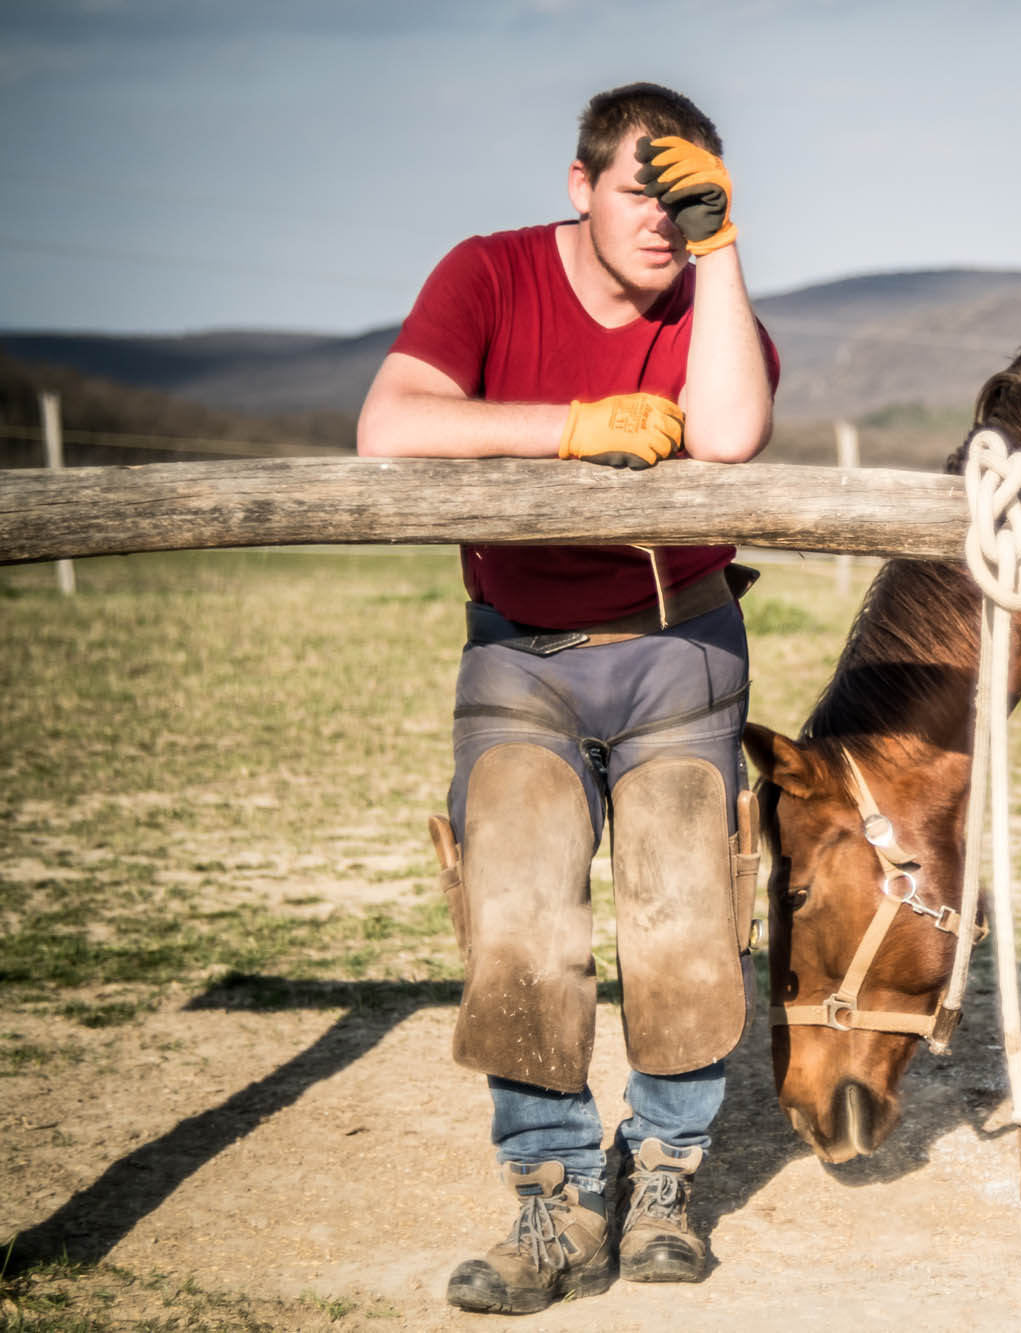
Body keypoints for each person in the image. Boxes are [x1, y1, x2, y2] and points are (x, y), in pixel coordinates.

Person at [357, 81, 777, 1316]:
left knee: (686, 924)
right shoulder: (486, 274)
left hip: (677, 650)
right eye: (644, 189)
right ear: (580, 184)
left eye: (691, 194)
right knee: (521, 921)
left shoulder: (711, 294)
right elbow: (388, 424)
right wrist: (570, 428)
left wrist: (727, 247)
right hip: (518, 654)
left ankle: (662, 1176)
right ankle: (551, 1200)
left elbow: (733, 430)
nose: (664, 217)